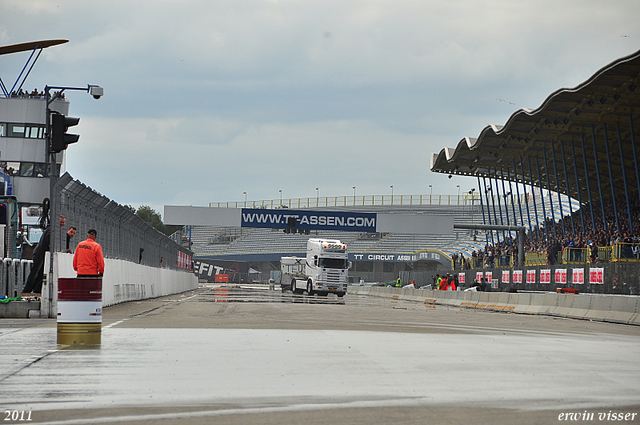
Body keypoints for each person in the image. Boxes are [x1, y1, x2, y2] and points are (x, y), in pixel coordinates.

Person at [22, 215, 65, 295]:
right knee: (36, 272)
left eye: (63, 222)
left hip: (43, 254)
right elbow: (49, 241)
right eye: (61, 222)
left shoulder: (52, 229)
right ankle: (27, 290)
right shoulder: (52, 230)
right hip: (41, 254)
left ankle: (36, 290)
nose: (62, 224)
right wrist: (52, 247)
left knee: (41, 272)